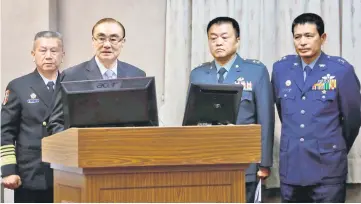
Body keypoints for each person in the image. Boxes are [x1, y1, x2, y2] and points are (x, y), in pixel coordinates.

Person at [271, 13, 361, 202]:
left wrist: (333, 146)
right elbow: (283, 112)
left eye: (309, 36)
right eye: (297, 37)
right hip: (292, 166)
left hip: (328, 167)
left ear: (323, 38)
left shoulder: (340, 70)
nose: (302, 42)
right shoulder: (281, 69)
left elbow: (353, 119)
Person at [189, 16, 275, 203]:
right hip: (207, 162)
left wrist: (265, 163)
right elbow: (191, 120)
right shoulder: (198, 74)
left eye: (224, 37)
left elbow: (266, 119)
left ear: (237, 40)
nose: (218, 42)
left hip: (244, 162)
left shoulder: (255, 71)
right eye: (213, 38)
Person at [46, 18, 146, 135]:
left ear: (122, 42)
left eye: (113, 39)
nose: (107, 45)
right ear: (93, 41)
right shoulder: (72, 76)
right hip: (85, 149)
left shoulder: (136, 75)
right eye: (101, 38)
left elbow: (145, 122)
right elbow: (56, 122)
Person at [1, 31, 65, 202]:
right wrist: (8, 170)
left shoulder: (71, 85)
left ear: (62, 55)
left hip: (67, 170)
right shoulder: (19, 86)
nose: (49, 56)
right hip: (32, 172)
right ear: (33, 54)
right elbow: (5, 132)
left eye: (54, 51)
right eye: (43, 50)